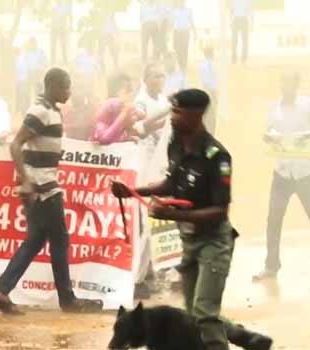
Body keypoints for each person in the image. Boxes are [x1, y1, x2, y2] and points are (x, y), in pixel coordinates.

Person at [112, 89, 273, 350]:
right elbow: (171, 183)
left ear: (196, 115)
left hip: (214, 242)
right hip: (190, 240)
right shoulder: (176, 143)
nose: (172, 117)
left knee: (204, 313)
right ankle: (247, 339)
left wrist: (173, 214)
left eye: (177, 111)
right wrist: (131, 192)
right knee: (198, 313)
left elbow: (220, 210)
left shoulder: (216, 156)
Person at [0, 68, 103, 314]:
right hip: (42, 187)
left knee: (35, 241)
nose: (69, 91)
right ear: (52, 86)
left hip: (40, 184)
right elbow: (17, 143)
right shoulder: (41, 110)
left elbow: (32, 141)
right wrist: (27, 181)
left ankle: (2, 289)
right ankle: (68, 300)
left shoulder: (51, 110)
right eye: (65, 86)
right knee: (59, 239)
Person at [253, 72, 310, 281]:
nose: (286, 89)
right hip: (282, 173)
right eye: (283, 84)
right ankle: (271, 265)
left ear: (296, 85)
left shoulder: (307, 105)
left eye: (290, 84)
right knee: (274, 220)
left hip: (305, 174)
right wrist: (268, 136)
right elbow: (269, 131)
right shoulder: (273, 108)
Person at [132, 63, 172, 299]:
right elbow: (142, 128)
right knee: (147, 222)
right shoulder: (141, 102)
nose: (160, 79)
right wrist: (168, 112)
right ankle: (139, 277)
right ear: (145, 79)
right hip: (145, 167)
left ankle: (149, 273)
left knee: (158, 221)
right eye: (156, 75)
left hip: (162, 166)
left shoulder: (164, 99)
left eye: (162, 75)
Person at [91, 73, 145, 145]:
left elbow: (143, 123)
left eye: (130, 90)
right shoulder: (102, 113)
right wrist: (124, 114)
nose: (131, 94)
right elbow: (105, 139)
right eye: (127, 90)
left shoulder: (127, 110)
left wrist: (127, 139)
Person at [171, 0, 197, 71]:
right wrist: (169, 33)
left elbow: (192, 21)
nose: (181, 3)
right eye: (179, 2)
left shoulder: (188, 11)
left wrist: (195, 32)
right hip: (177, 32)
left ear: (184, 2)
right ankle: (180, 64)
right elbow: (172, 23)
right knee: (177, 49)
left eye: (182, 2)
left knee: (184, 49)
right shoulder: (174, 11)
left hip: (185, 32)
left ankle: (183, 66)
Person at [199, 46, 218, 135]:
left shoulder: (203, 65)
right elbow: (209, 82)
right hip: (209, 91)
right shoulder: (210, 66)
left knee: (209, 116)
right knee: (211, 117)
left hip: (207, 91)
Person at [98, 6, 120, 72]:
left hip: (109, 36)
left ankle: (116, 66)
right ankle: (102, 68)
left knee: (113, 52)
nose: (110, 13)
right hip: (103, 36)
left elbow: (116, 29)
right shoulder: (102, 19)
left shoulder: (112, 20)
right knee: (101, 53)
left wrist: (117, 35)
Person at [50, 0, 72, 64]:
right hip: (54, 27)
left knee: (63, 44)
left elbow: (69, 16)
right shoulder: (54, 7)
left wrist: (70, 25)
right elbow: (52, 17)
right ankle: (53, 60)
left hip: (62, 27)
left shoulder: (65, 7)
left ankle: (65, 60)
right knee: (53, 45)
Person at [231, 0, 253, 64]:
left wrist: (251, 22)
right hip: (236, 19)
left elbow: (250, 10)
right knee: (235, 40)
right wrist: (231, 21)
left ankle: (243, 59)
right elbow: (232, 10)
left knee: (244, 40)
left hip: (243, 19)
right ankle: (234, 58)